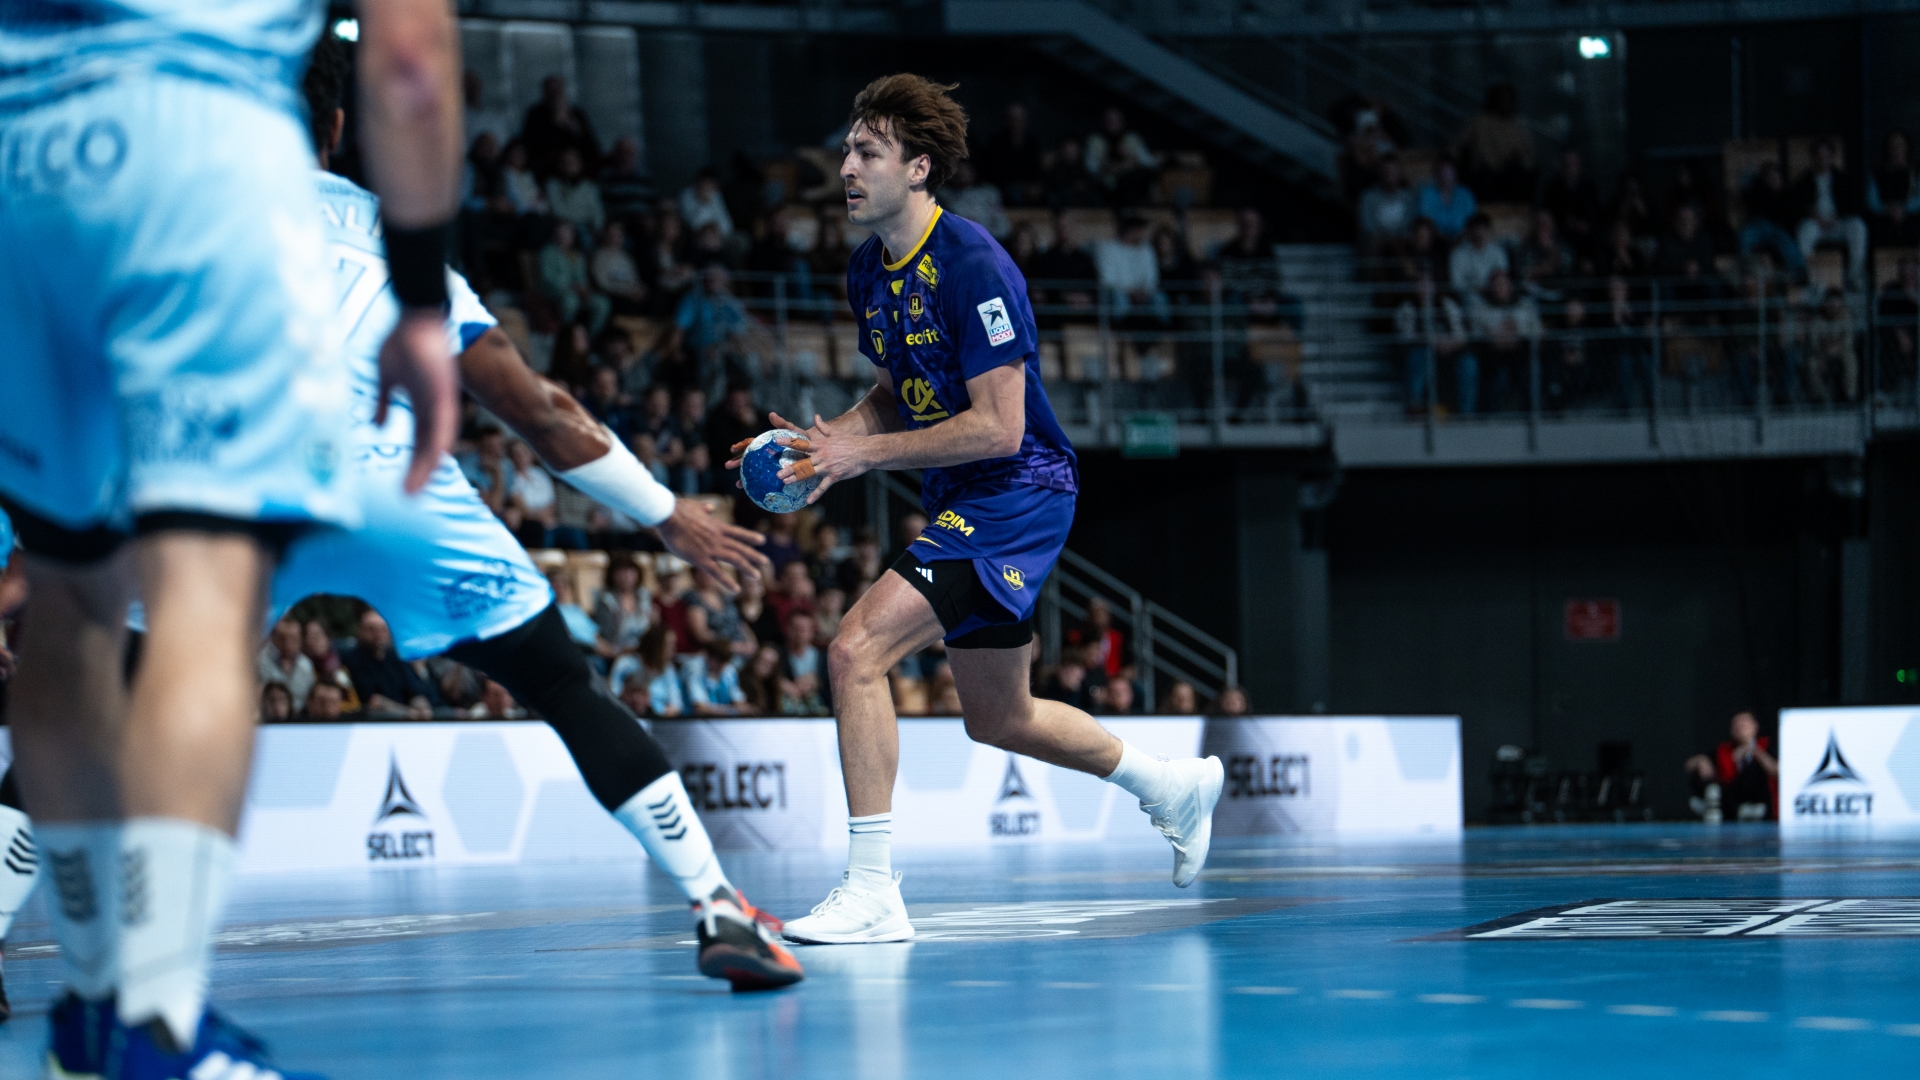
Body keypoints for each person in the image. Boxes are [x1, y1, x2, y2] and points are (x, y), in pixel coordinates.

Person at [0, 7, 465, 1076]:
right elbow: (408, 58)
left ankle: (94, 1001)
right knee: (205, 589)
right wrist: (420, 298)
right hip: (200, 182)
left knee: (71, 597)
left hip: (25, 179)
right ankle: (158, 1022)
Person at [742, 75, 1223, 946]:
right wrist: (828, 444)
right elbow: (896, 396)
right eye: (846, 150)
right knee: (999, 717)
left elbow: (1001, 428)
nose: (846, 167)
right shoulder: (868, 270)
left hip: (1018, 490)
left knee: (854, 650)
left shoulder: (974, 264)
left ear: (918, 167)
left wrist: (865, 456)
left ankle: (871, 890)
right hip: (961, 492)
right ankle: (1171, 785)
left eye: (867, 152)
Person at [1793, 139, 1868, 288]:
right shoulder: (1804, 181)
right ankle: (1812, 278)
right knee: (1803, 232)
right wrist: (1815, 217)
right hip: (1816, 224)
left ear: (1832, 157)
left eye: (1826, 156)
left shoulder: (1843, 179)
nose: (1823, 160)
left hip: (1838, 223)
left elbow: (1853, 205)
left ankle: (1854, 277)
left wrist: (1837, 217)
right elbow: (1798, 207)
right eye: (1819, 156)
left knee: (1858, 227)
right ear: (1813, 158)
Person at [1685, 711, 1778, 821]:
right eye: (1736, 724)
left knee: (1754, 770)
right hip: (1730, 794)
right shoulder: (1723, 749)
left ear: (1755, 726)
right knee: (1707, 780)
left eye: (1744, 722)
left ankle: (1716, 808)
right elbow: (1689, 765)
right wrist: (1702, 760)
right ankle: (1728, 809)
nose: (1740, 726)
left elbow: (1777, 770)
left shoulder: (1767, 744)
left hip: (1759, 800)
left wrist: (1755, 752)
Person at [257, 616, 317, 711]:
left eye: (293, 639)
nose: (288, 645)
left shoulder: (306, 665)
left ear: (300, 639)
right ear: (273, 638)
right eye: (282, 638)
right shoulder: (259, 662)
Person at [1418, 159, 1478, 240]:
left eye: (1448, 173)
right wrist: (1440, 236)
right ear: (1435, 174)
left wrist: (1460, 236)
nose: (1444, 176)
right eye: (1441, 172)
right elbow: (1425, 219)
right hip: (1434, 238)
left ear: (1455, 174)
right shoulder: (1427, 193)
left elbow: (1471, 219)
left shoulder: (1465, 194)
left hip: (1462, 238)